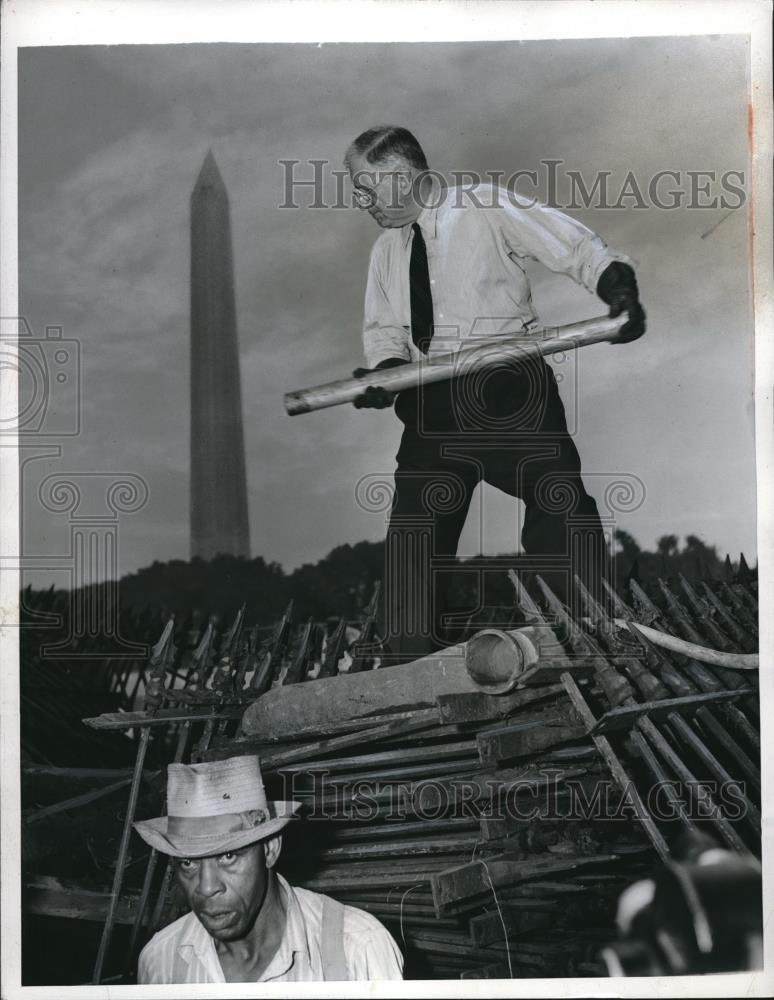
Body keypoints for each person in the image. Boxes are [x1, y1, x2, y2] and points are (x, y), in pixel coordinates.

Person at [346, 125, 646, 664]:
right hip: (432, 406)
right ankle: (408, 668)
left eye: (366, 189)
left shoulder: (484, 207)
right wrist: (383, 379)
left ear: (399, 177)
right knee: (413, 538)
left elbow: (578, 249)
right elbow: (387, 336)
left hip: (511, 393)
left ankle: (584, 644)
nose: (359, 202)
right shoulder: (386, 251)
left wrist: (619, 293)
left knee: (561, 507)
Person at [133, 754, 403, 983]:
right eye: (188, 863)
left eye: (228, 856)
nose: (206, 887)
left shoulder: (357, 947)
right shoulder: (161, 960)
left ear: (270, 849)